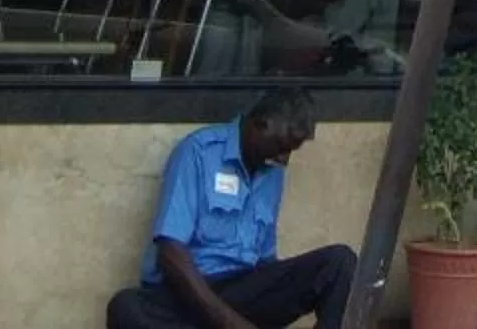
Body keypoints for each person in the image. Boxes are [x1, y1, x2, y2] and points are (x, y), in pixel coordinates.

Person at [108, 88, 356, 329]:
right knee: (126, 308)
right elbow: (170, 253)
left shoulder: (273, 171)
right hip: (189, 293)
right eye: (281, 146)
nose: (284, 159)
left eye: (291, 150)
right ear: (259, 124)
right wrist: (231, 323)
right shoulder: (198, 152)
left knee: (339, 263)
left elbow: (265, 261)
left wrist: (270, 299)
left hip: (242, 290)